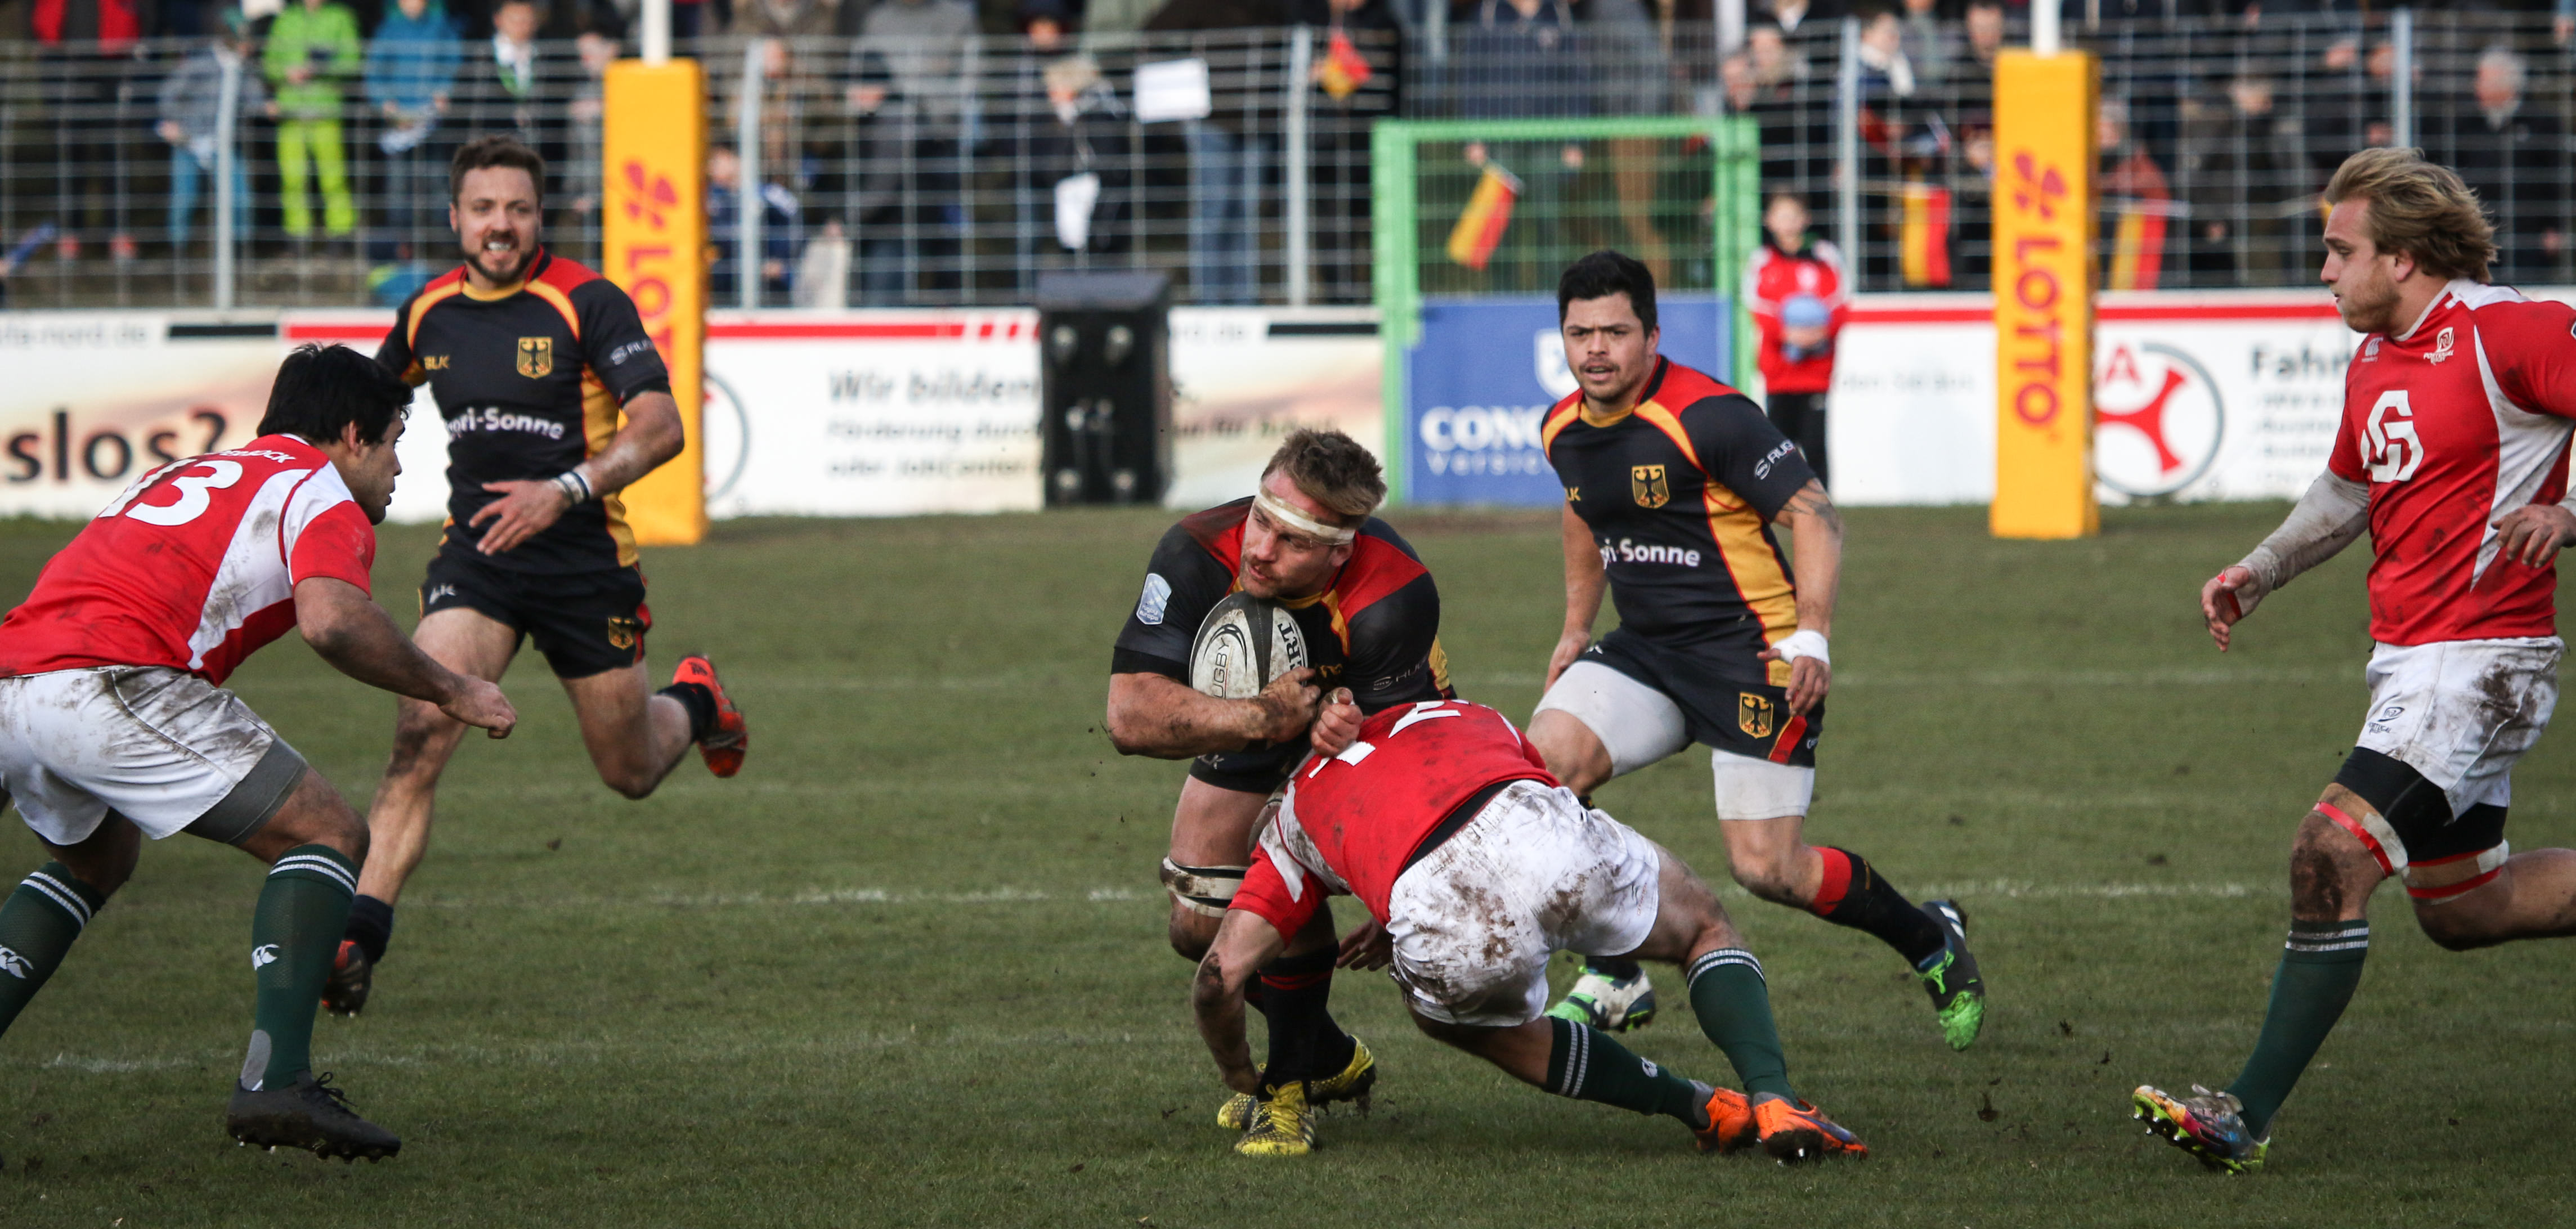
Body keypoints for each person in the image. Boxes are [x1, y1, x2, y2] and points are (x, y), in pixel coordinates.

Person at [2137, 147, 2576, 1174]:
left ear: (2404, 258)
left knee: (2327, 855)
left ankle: (2240, 1115)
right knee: (2464, 908)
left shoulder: (2512, 330)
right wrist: (2260, 568)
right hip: (2410, 663)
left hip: (2481, 661)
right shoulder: (2376, 355)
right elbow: (2346, 493)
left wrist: (2568, 513)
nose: (2324, 270)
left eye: (2340, 250)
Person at [0, 344, 518, 1161]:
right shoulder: (318, 487)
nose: (396, 467)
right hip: (111, 681)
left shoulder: (185, 472)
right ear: (353, 436)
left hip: (15, 682)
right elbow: (334, 621)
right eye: (393, 443)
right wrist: (453, 689)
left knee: (95, 861)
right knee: (329, 833)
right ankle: (276, 1080)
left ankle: (286, 1023)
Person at [1529, 250, 1986, 1051]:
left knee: (1768, 869)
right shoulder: (1562, 429)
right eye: (1580, 333)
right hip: (1646, 653)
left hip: (1750, 654)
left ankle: (1929, 938)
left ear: (1651, 336)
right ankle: (1614, 971)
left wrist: (1812, 634)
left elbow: (1814, 515)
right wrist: (1575, 627)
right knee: (1535, 778)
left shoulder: (1710, 416)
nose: (1595, 349)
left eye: (1614, 332)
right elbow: (1582, 513)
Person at [339, 136, 750, 1016]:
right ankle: (356, 939)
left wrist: (563, 491)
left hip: (584, 568)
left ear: (539, 217)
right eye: (484, 209)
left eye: (518, 210)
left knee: (630, 771)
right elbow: (366, 413)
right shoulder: (427, 313)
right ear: (456, 218)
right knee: (420, 729)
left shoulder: (586, 302)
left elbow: (662, 426)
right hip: (478, 561)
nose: (501, 225)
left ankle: (696, 701)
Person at [1193, 697, 1866, 1163]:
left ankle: (1703, 1108)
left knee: (1456, 1020)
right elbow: (1519, 790)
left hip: (1435, 913)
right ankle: (1774, 1097)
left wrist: (1244, 1077)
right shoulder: (1448, 711)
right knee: (1702, 928)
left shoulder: (1287, 820)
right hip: (1534, 830)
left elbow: (1220, 978)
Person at [1105, 429, 1452, 1156]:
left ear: (1339, 551)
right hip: (1256, 718)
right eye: (1261, 519)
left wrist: (1392, 895)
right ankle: (1330, 1057)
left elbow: (1404, 757)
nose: (1261, 550)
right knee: (1194, 926)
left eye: (1293, 541)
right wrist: (1259, 718)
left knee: (1279, 862)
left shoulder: (1391, 592)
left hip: (1364, 737)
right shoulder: (1197, 550)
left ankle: (1285, 1094)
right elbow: (1129, 716)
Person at [1743, 193, 1845, 487]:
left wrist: (1819, 333)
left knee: (1815, 445)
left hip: (1816, 371)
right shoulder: (1762, 261)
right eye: (1781, 215)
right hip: (1779, 372)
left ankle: (1821, 506)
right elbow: (1756, 306)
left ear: (1806, 219)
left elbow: (1841, 303)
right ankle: (1778, 504)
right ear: (1769, 221)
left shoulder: (1825, 257)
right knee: (1778, 448)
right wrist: (1787, 334)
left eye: (1794, 215)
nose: (1788, 222)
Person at [158, 9, 266, 255]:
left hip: (222, 144)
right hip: (188, 142)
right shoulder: (200, 63)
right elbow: (169, 94)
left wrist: (269, 105)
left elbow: (256, 100)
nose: (249, 46)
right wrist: (173, 123)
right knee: (185, 199)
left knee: (241, 199)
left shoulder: (244, 68)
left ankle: (238, 251)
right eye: (244, 40)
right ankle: (177, 251)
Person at [364, 0, 464, 259]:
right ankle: (403, 245)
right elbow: (375, 72)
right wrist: (386, 105)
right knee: (399, 185)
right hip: (399, 124)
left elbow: (452, 64)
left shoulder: (441, 27)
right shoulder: (388, 30)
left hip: (432, 122)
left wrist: (443, 92)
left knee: (437, 181)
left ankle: (443, 243)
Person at [264, 0, 365, 244]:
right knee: (292, 178)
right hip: (291, 111)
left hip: (325, 109)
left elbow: (353, 61)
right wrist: (286, 72)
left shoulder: (341, 17)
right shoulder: (285, 19)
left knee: (333, 176)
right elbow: (269, 63)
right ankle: (298, 236)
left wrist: (321, 68)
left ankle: (340, 233)